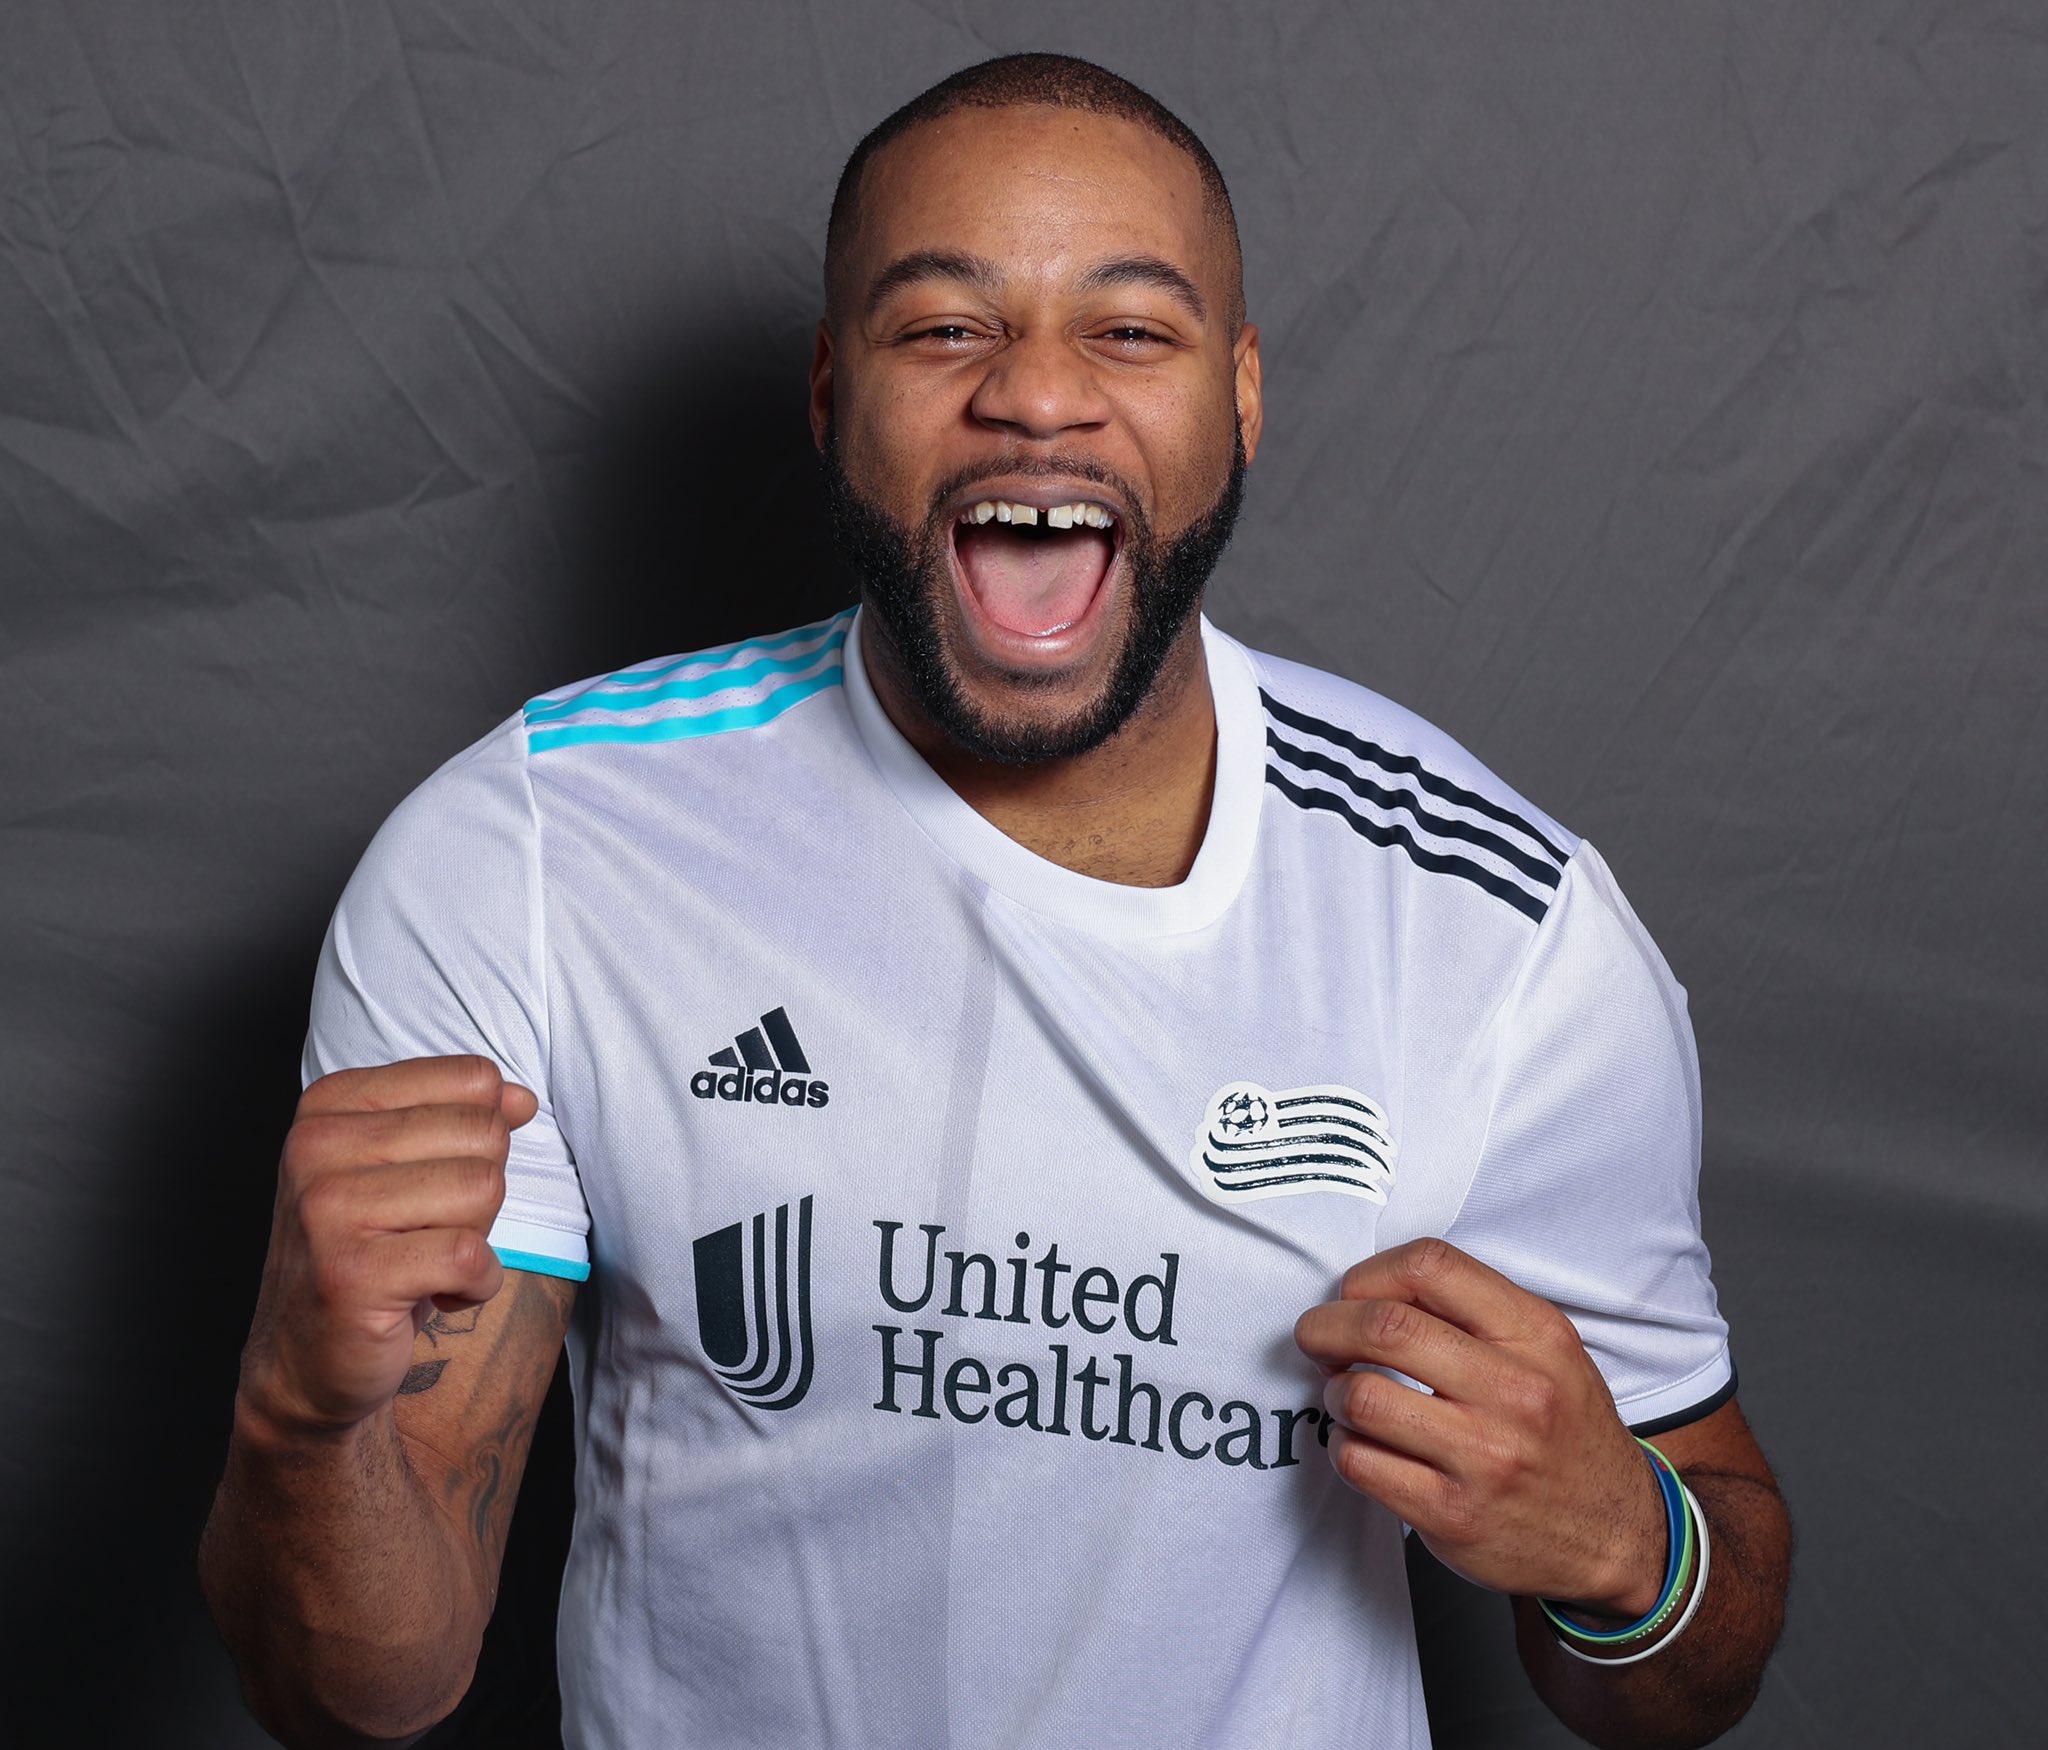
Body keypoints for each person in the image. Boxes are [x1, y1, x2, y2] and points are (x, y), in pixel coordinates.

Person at [201, 52, 1790, 1750]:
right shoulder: (540, 847)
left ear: (1241, 397)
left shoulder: (1499, 927)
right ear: (834, 389)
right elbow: (368, 1684)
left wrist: (1629, 1548)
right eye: (946, 326)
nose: (1037, 397)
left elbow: (1691, 1671)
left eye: (1133, 329)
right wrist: (304, 1417)